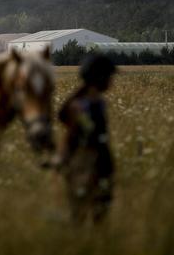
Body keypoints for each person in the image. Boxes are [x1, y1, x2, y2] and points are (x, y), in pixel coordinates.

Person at [52, 54, 117, 224]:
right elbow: (77, 133)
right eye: (109, 77)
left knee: (100, 212)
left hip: (101, 161)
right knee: (81, 213)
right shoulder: (81, 106)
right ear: (99, 78)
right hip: (85, 163)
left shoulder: (98, 103)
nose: (111, 81)